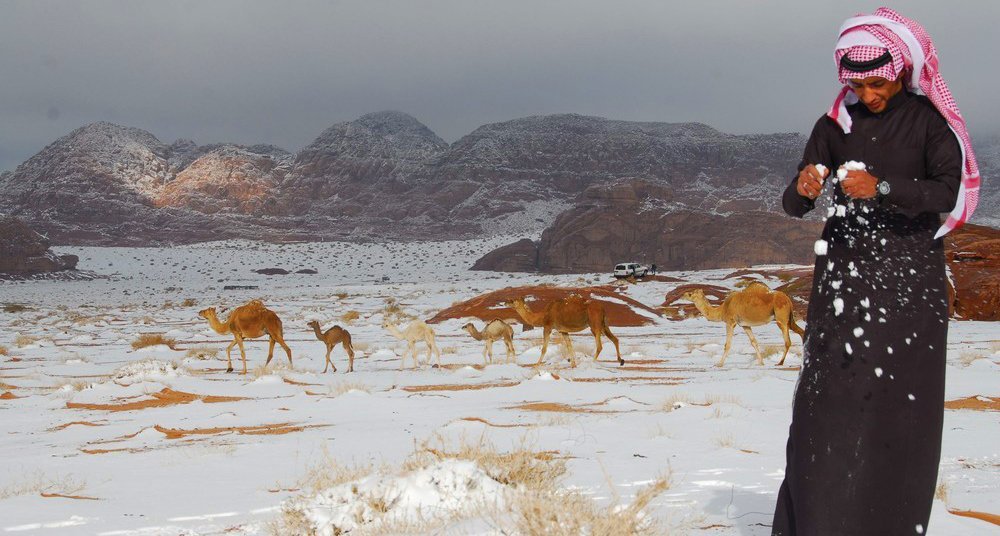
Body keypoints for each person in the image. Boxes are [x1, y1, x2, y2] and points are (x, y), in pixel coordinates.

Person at [772, 8, 981, 536]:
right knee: (827, 407)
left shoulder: (930, 123)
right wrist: (803, 189)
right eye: (858, 82)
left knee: (900, 408)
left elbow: (946, 193)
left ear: (902, 68)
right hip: (843, 282)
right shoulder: (832, 126)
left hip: (911, 281)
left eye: (878, 81)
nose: (868, 94)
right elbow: (793, 203)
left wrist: (883, 187)